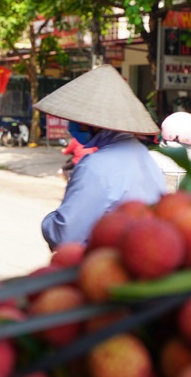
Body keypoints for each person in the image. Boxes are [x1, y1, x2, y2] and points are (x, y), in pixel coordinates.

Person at [35, 65, 167, 249]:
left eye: (75, 120)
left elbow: (64, 234)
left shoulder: (95, 166)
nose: (70, 126)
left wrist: (49, 222)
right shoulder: (142, 154)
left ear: (92, 124)